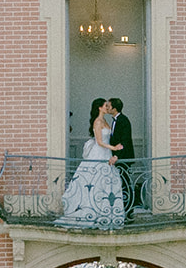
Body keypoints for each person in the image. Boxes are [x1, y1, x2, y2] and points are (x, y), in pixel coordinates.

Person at [55, 98, 126, 228]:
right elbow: (99, 141)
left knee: (105, 183)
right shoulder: (98, 121)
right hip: (99, 153)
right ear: (99, 107)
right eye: (105, 105)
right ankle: (92, 210)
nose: (107, 107)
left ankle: (105, 211)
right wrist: (114, 148)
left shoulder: (105, 120)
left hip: (106, 154)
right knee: (94, 181)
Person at [107, 97, 141, 211]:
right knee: (119, 183)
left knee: (125, 184)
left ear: (114, 108)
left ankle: (128, 211)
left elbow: (124, 141)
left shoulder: (123, 120)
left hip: (123, 158)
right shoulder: (115, 120)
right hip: (117, 157)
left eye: (109, 106)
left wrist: (117, 156)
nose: (107, 108)